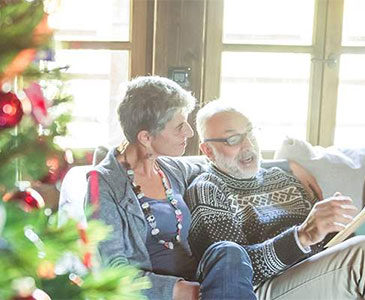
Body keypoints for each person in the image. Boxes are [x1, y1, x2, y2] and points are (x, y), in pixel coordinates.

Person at [86, 76, 321, 300]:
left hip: (207, 282)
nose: (188, 132)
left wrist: (288, 165)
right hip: (161, 293)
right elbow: (112, 272)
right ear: (146, 137)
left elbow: (222, 158)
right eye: (179, 126)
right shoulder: (104, 184)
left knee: (229, 251)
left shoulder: (169, 169)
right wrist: (183, 291)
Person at [186, 99, 365, 300]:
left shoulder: (281, 177)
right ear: (208, 151)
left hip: (311, 272)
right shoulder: (208, 188)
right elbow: (232, 271)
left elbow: (321, 243)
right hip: (261, 287)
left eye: (250, 132)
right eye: (234, 139)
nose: (248, 145)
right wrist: (301, 236)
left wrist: (336, 227)